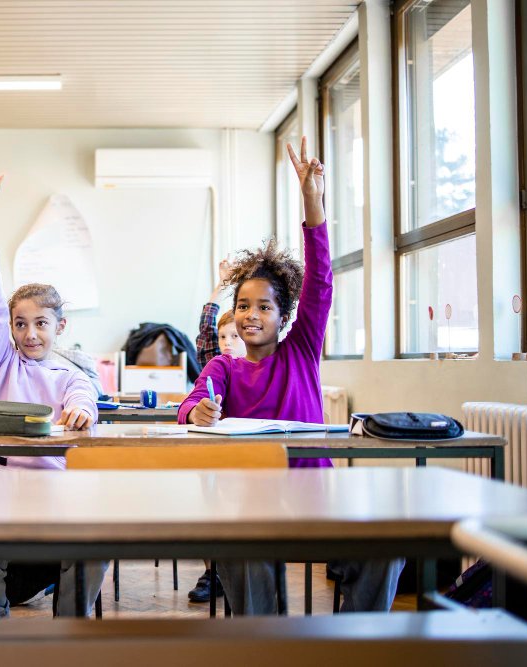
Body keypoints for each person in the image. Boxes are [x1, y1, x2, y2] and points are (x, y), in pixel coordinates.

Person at [178, 138, 403, 615]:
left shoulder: (301, 351)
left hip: (316, 499)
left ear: (284, 316)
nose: (251, 315)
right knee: (242, 548)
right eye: (243, 306)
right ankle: (268, 644)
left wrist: (312, 202)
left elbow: (321, 279)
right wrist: (196, 410)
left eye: (264, 307)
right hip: (252, 506)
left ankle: (357, 636)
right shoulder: (223, 367)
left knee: (389, 542)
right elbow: (189, 407)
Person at [0, 169, 107, 618]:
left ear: (61, 327)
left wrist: (81, 412)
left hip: (51, 490)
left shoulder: (70, 374)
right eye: (20, 323)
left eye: (41, 323)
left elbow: (84, 400)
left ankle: (65, 636)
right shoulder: (2, 360)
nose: (30, 333)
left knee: (95, 549)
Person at [187, 258, 247, 604]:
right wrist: (222, 284)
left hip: (245, 457)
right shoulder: (216, 361)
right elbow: (207, 322)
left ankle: (233, 569)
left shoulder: (259, 361)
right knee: (208, 510)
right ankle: (214, 572)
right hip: (213, 454)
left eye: (233, 336)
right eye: (222, 337)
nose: (226, 341)